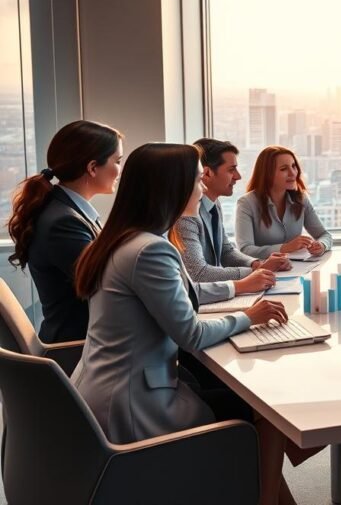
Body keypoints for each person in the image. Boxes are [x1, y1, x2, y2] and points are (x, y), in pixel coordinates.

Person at [71, 143, 303, 505]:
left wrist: (238, 289)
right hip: (134, 404)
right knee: (269, 417)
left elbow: (185, 293)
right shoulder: (151, 250)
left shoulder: (126, 238)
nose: (202, 187)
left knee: (257, 410)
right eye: (197, 180)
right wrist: (248, 317)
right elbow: (191, 333)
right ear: (173, 187)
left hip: (108, 389)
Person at [6, 120, 123, 343]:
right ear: (92, 168)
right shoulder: (63, 222)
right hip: (77, 348)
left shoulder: (65, 210)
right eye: (117, 161)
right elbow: (109, 284)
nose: (120, 170)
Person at [171, 138, 291, 299]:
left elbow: (226, 251)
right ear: (207, 173)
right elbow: (198, 274)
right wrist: (254, 271)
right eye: (231, 170)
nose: (238, 176)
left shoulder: (214, 203)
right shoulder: (185, 216)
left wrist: (256, 263)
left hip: (217, 293)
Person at [235, 146, 332, 259]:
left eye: (293, 166)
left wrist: (321, 245)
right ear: (267, 174)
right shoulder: (246, 203)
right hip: (263, 268)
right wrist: (284, 248)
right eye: (283, 169)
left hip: (297, 267)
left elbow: (325, 235)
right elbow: (245, 250)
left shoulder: (301, 199)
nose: (292, 173)